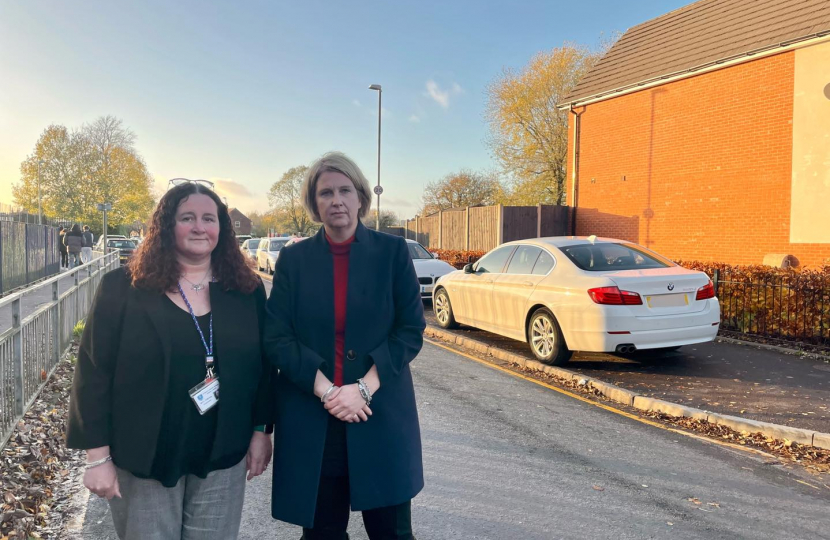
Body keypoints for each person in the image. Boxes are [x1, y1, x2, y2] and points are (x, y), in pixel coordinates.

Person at [66, 182, 274, 540]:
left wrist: (260, 432)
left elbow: (263, 368)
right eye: (187, 217)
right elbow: (93, 373)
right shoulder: (122, 288)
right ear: (166, 226)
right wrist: (97, 458)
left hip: (223, 455)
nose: (199, 227)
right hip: (144, 455)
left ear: (222, 230)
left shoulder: (246, 291)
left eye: (209, 218)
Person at [264, 152, 425, 539]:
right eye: (325, 193)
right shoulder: (294, 260)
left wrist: (363, 389)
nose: (336, 200)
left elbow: (409, 331)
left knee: (392, 534)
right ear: (314, 204)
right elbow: (276, 337)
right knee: (321, 535)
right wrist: (329, 392)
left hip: (378, 415)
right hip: (314, 417)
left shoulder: (393, 254)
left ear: (360, 198)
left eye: (344, 190)